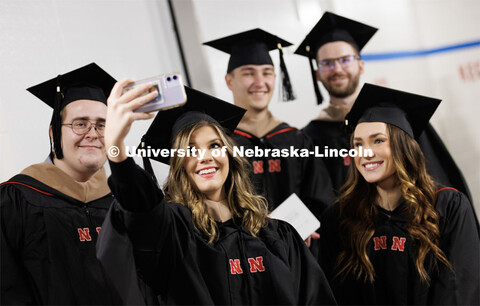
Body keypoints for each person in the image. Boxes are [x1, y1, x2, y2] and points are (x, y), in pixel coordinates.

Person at [96, 81, 337, 305]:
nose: (205, 156)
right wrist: (115, 147)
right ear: (179, 164)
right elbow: (141, 206)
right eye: (190, 150)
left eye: (214, 145)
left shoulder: (277, 234)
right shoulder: (175, 233)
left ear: (229, 155)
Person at [295, 12, 476, 218]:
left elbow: (438, 180)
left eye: (345, 60)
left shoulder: (398, 119)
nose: (337, 69)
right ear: (317, 73)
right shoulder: (309, 138)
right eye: (326, 63)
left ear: (361, 64)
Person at [319, 83, 479, 305]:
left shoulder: (447, 206)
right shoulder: (339, 217)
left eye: (378, 141)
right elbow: (333, 294)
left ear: (403, 146)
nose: (366, 153)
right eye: (358, 144)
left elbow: (460, 288)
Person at [0, 63, 121, 304]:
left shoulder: (122, 203)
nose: (93, 133)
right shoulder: (15, 201)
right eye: (80, 123)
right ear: (54, 133)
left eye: (102, 124)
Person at [203, 28, 334, 228]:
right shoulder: (219, 143)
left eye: (267, 73)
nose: (260, 82)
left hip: (296, 248)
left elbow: (321, 200)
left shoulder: (295, 140)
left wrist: (309, 228)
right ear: (229, 81)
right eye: (248, 73)